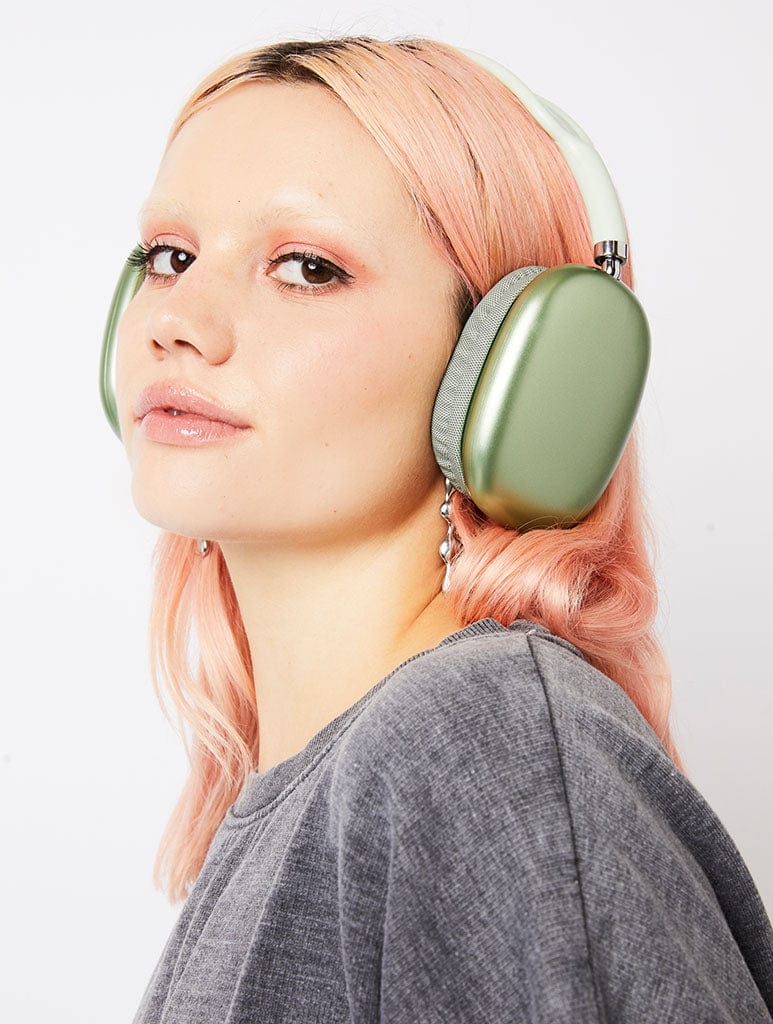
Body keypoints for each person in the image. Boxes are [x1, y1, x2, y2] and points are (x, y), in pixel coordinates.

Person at [103, 34, 773, 1023]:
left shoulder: (475, 744)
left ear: (507, 370)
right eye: (170, 257)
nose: (179, 320)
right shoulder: (345, 782)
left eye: (306, 267)